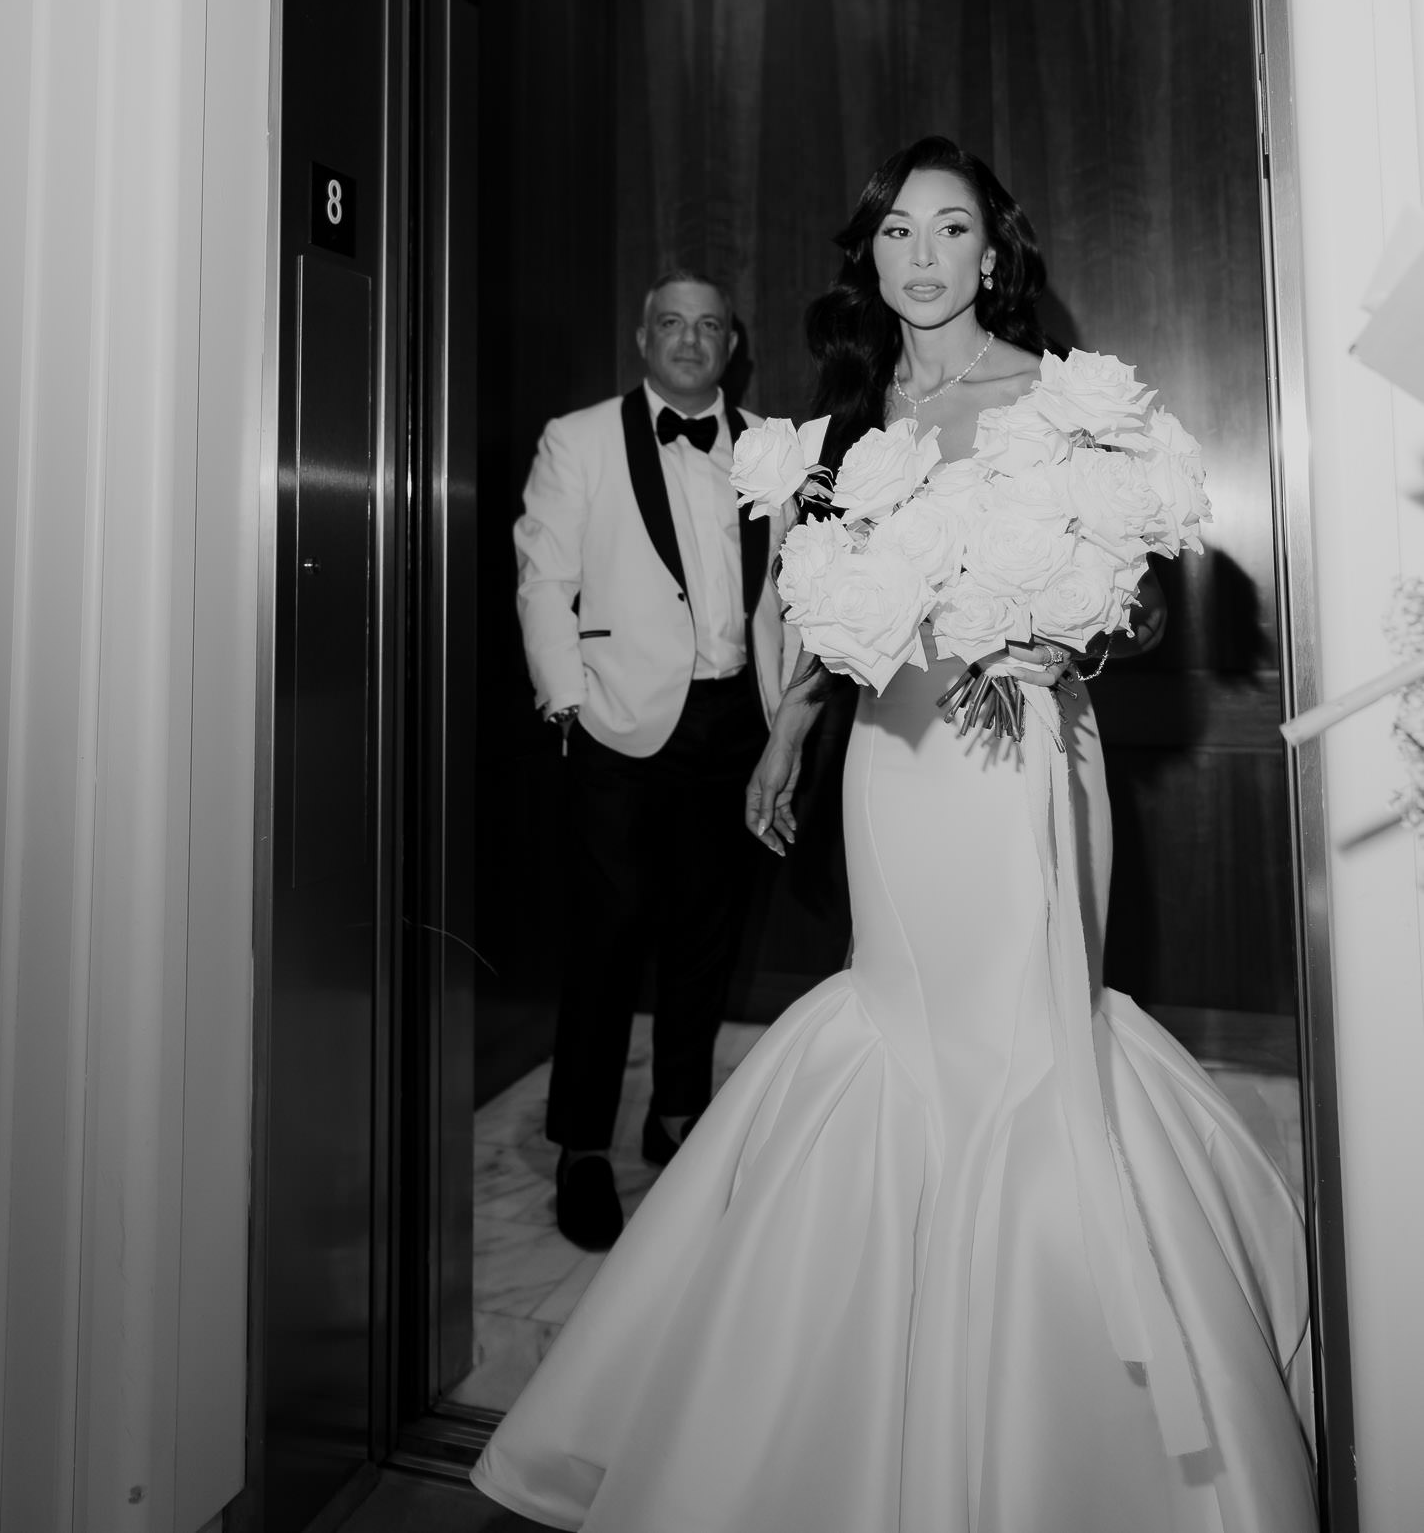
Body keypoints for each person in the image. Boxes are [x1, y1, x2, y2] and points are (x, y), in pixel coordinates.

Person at [476, 140, 1318, 1533]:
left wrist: (1066, 639)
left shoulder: (1060, 402)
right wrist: (794, 729)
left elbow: (1150, 602)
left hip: (1030, 759)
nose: (922, 256)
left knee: (1034, 1033)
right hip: (898, 759)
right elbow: (823, 607)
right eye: (897, 235)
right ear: (872, 260)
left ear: (994, 253)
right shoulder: (852, 421)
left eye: (952, 229)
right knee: (903, 1024)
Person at [514, 269, 787, 1252]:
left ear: (733, 343)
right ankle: (583, 1146)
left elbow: (787, 592)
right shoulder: (578, 438)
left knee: (708, 933)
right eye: (671, 323)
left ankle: (678, 1115)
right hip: (619, 724)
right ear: (643, 337)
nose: (689, 339)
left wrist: (784, 720)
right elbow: (545, 576)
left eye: (708, 326)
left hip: (731, 724)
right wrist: (569, 703)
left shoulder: (770, 450)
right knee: (608, 935)